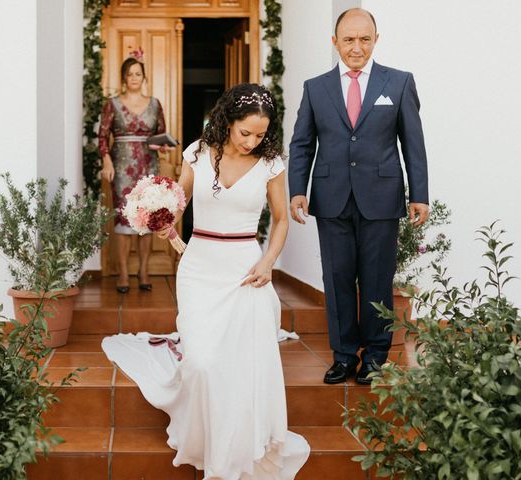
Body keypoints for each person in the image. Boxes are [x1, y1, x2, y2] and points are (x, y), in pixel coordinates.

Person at [102, 83, 310, 479]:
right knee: (201, 362)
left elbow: (281, 219)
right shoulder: (197, 153)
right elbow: (177, 201)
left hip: (247, 270)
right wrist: (164, 224)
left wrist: (268, 262)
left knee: (240, 364)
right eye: (245, 132)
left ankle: (234, 448)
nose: (252, 141)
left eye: (261, 135)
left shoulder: (271, 164)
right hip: (199, 267)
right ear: (228, 122)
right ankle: (201, 437)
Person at [288, 8, 429, 385]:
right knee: (336, 279)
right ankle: (345, 355)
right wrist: (297, 189)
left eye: (364, 39)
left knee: (377, 280)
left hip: (381, 198)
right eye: (348, 39)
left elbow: (412, 143)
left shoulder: (398, 83)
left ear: (376, 40)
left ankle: (376, 356)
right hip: (331, 196)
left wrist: (420, 194)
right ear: (335, 42)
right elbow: (302, 143)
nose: (356, 47)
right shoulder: (315, 88)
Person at [99, 51, 172, 293]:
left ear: (143, 77)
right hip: (121, 168)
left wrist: (162, 146)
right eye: (129, 74)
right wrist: (106, 162)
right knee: (123, 220)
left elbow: (160, 135)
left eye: (137, 74)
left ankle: (143, 271)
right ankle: (122, 274)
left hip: (147, 167)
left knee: (146, 219)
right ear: (123, 78)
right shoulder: (112, 104)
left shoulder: (154, 104)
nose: (134, 77)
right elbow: (102, 137)